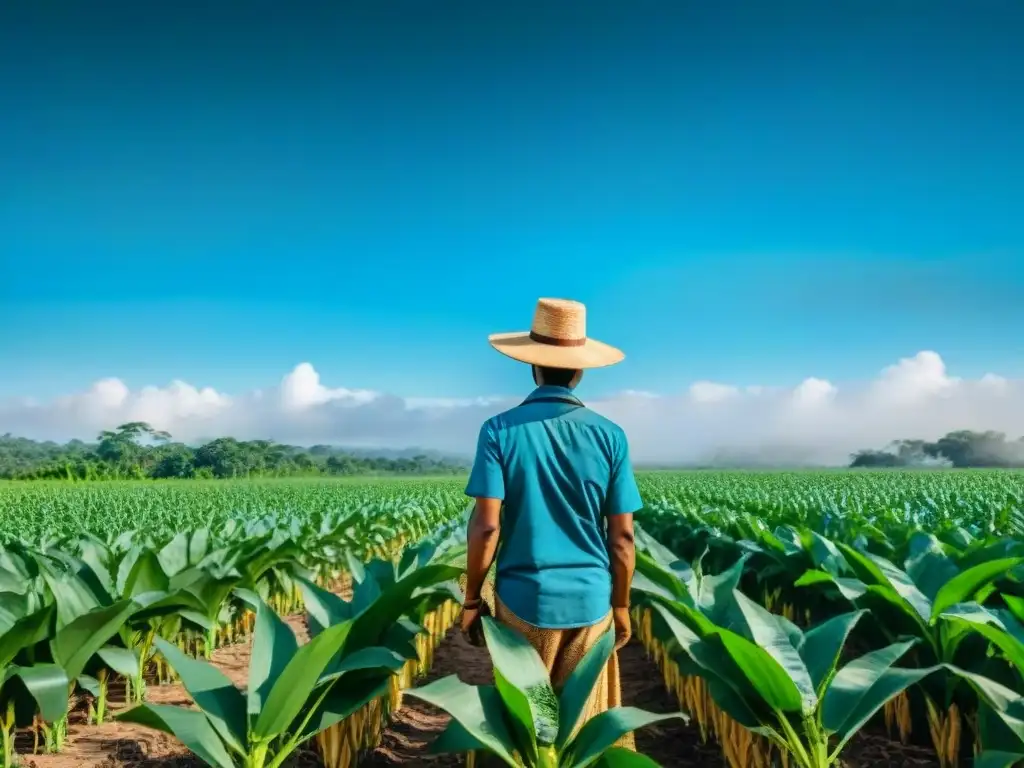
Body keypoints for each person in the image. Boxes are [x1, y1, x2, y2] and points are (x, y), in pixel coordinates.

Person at [460, 297, 642, 748]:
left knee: (531, 730)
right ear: (579, 371)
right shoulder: (610, 435)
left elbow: (486, 527)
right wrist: (620, 606)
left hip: (523, 602)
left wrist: (470, 599)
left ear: (532, 367)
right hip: (592, 601)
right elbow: (622, 539)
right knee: (583, 728)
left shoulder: (498, 430)